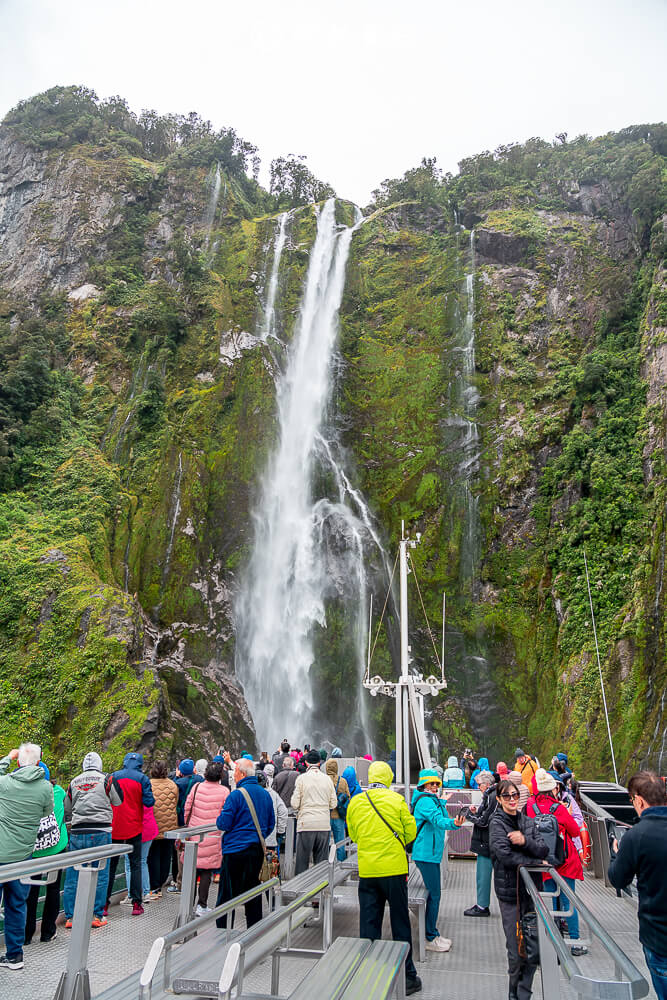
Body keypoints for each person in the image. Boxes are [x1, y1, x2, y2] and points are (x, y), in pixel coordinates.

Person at [347, 761, 421, 996]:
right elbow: (411, 831)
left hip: (368, 871)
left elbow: (354, 834)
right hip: (394, 871)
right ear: (389, 777)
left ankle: (368, 973)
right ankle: (408, 976)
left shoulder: (356, 802)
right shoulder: (396, 800)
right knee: (400, 921)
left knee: (368, 923)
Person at [608, 771, 667, 999]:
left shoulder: (637, 836)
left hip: (659, 938)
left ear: (640, 800)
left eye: (632, 800)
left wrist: (616, 854)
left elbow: (618, 879)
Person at [490, 778, 548, 1000]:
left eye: (515, 795)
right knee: (516, 949)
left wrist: (524, 841)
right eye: (507, 796)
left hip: (531, 891)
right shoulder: (497, 824)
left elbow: (543, 850)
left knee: (532, 945)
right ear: (499, 799)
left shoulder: (528, 822)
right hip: (510, 893)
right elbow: (503, 855)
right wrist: (531, 861)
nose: (512, 799)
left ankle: (524, 993)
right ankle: (514, 992)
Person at [0, 744, 54, 971]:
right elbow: (46, 812)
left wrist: (6, 758)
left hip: (1, 855)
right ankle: (15, 955)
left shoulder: (5, 783)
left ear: (19, 761)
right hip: (24, 856)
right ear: (39, 761)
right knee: (17, 905)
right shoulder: (45, 788)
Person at [526, 768, 586, 956]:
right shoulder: (558, 808)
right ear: (552, 789)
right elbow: (575, 831)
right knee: (568, 900)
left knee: (548, 901)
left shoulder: (530, 805)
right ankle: (575, 942)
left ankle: (550, 939)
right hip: (565, 859)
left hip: (543, 860)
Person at [63, 752, 123, 929]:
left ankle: (71, 917)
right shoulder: (107, 780)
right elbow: (118, 801)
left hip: (78, 831)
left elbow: (67, 807)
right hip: (101, 831)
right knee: (101, 873)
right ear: (100, 764)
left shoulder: (74, 782)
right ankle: (97, 915)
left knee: (73, 874)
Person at [215, 758, 274, 929]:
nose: (233, 775)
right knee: (253, 892)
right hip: (256, 850)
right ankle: (253, 932)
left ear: (241, 773)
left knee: (227, 895)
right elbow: (270, 824)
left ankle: (223, 933)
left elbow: (223, 824)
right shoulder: (265, 794)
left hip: (234, 850)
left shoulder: (236, 795)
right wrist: (257, 835)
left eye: (234, 772)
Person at [411, 768, 463, 952]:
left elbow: (438, 815)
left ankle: (431, 933)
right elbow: (438, 820)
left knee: (433, 894)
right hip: (425, 854)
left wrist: (441, 800)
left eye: (436, 784)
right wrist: (454, 824)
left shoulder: (429, 800)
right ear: (423, 784)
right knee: (434, 895)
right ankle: (430, 937)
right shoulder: (425, 802)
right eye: (431, 783)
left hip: (429, 853)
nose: (434, 786)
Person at [105, 752, 155, 917]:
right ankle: (136, 903)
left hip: (115, 827)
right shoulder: (142, 779)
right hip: (134, 827)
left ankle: (104, 904)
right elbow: (149, 802)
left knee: (110, 867)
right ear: (140, 764)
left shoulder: (113, 777)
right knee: (136, 865)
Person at [24, 762, 68, 946]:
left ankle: (26, 935)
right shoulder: (59, 792)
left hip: (32, 851)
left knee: (29, 892)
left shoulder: (25, 794)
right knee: (53, 889)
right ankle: (48, 932)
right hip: (56, 848)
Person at [183, 761, 229, 915]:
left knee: (192, 869)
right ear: (220, 776)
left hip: (194, 833)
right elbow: (225, 815)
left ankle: (187, 904)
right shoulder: (224, 792)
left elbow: (187, 808)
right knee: (206, 872)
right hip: (212, 835)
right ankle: (201, 906)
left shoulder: (196, 787)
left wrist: (189, 826)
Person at [291, 749, 336, 875]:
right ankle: (320, 890)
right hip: (323, 825)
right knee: (321, 864)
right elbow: (334, 803)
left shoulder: (301, 779)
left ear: (306, 763)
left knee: (302, 862)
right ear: (320, 763)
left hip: (306, 825)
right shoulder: (327, 780)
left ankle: (300, 890)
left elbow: (294, 804)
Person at [463, 769, 497, 917]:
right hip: (490, 839)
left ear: (487, 784)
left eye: (479, 784)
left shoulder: (491, 796)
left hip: (486, 840)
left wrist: (470, 815)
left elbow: (484, 821)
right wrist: (477, 812)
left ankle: (482, 906)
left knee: (483, 876)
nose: (478, 787)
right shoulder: (494, 795)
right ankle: (482, 904)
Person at [168, 758, 204, 893]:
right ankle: (197, 878)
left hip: (182, 821)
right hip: (197, 821)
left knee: (180, 853)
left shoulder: (177, 783)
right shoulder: (200, 781)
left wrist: (176, 777)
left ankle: (180, 883)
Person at [147, 761, 178, 899]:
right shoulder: (173, 785)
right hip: (170, 826)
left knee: (153, 856)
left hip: (153, 826)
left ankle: (154, 887)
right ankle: (161, 882)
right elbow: (175, 802)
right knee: (166, 856)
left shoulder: (148, 784)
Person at [122, 800, 158, 905]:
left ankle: (131, 895)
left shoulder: (128, 797)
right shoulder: (147, 795)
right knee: (142, 861)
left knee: (129, 863)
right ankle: (146, 893)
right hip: (149, 829)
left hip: (133, 831)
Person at [325, 758, 350, 862]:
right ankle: (341, 865)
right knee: (340, 843)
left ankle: (324, 865)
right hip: (339, 816)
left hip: (325, 816)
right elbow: (348, 797)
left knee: (324, 844)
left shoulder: (323, 780)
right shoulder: (343, 781)